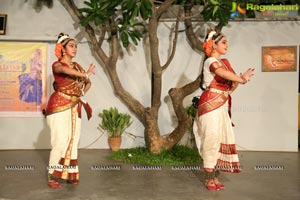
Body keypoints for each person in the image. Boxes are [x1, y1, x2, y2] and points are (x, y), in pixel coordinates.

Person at [193, 30, 254, 191]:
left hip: (222, 105)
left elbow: (229, 88)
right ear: (214, 44)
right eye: (224, 42)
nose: (227, 45)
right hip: (210, 106)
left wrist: (239, 82)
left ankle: (215, 177)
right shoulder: (210, 61)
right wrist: (240, 79)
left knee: (220, 140)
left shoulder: (225, 62)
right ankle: (208, 179)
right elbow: (220, 73)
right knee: (211, 139)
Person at [45, 33, 95, 188]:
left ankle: (71, 174)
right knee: (60, 141)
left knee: (73, 141)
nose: (75, 48)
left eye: (76, 46)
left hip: (75, 107)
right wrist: (84, 74)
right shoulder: (57, 65)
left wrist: (81, 93)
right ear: (63, 49)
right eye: (71, 46)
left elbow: (88, 82)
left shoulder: (78, 66)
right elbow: (66, 72)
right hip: (59, 106)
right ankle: (52, 175)